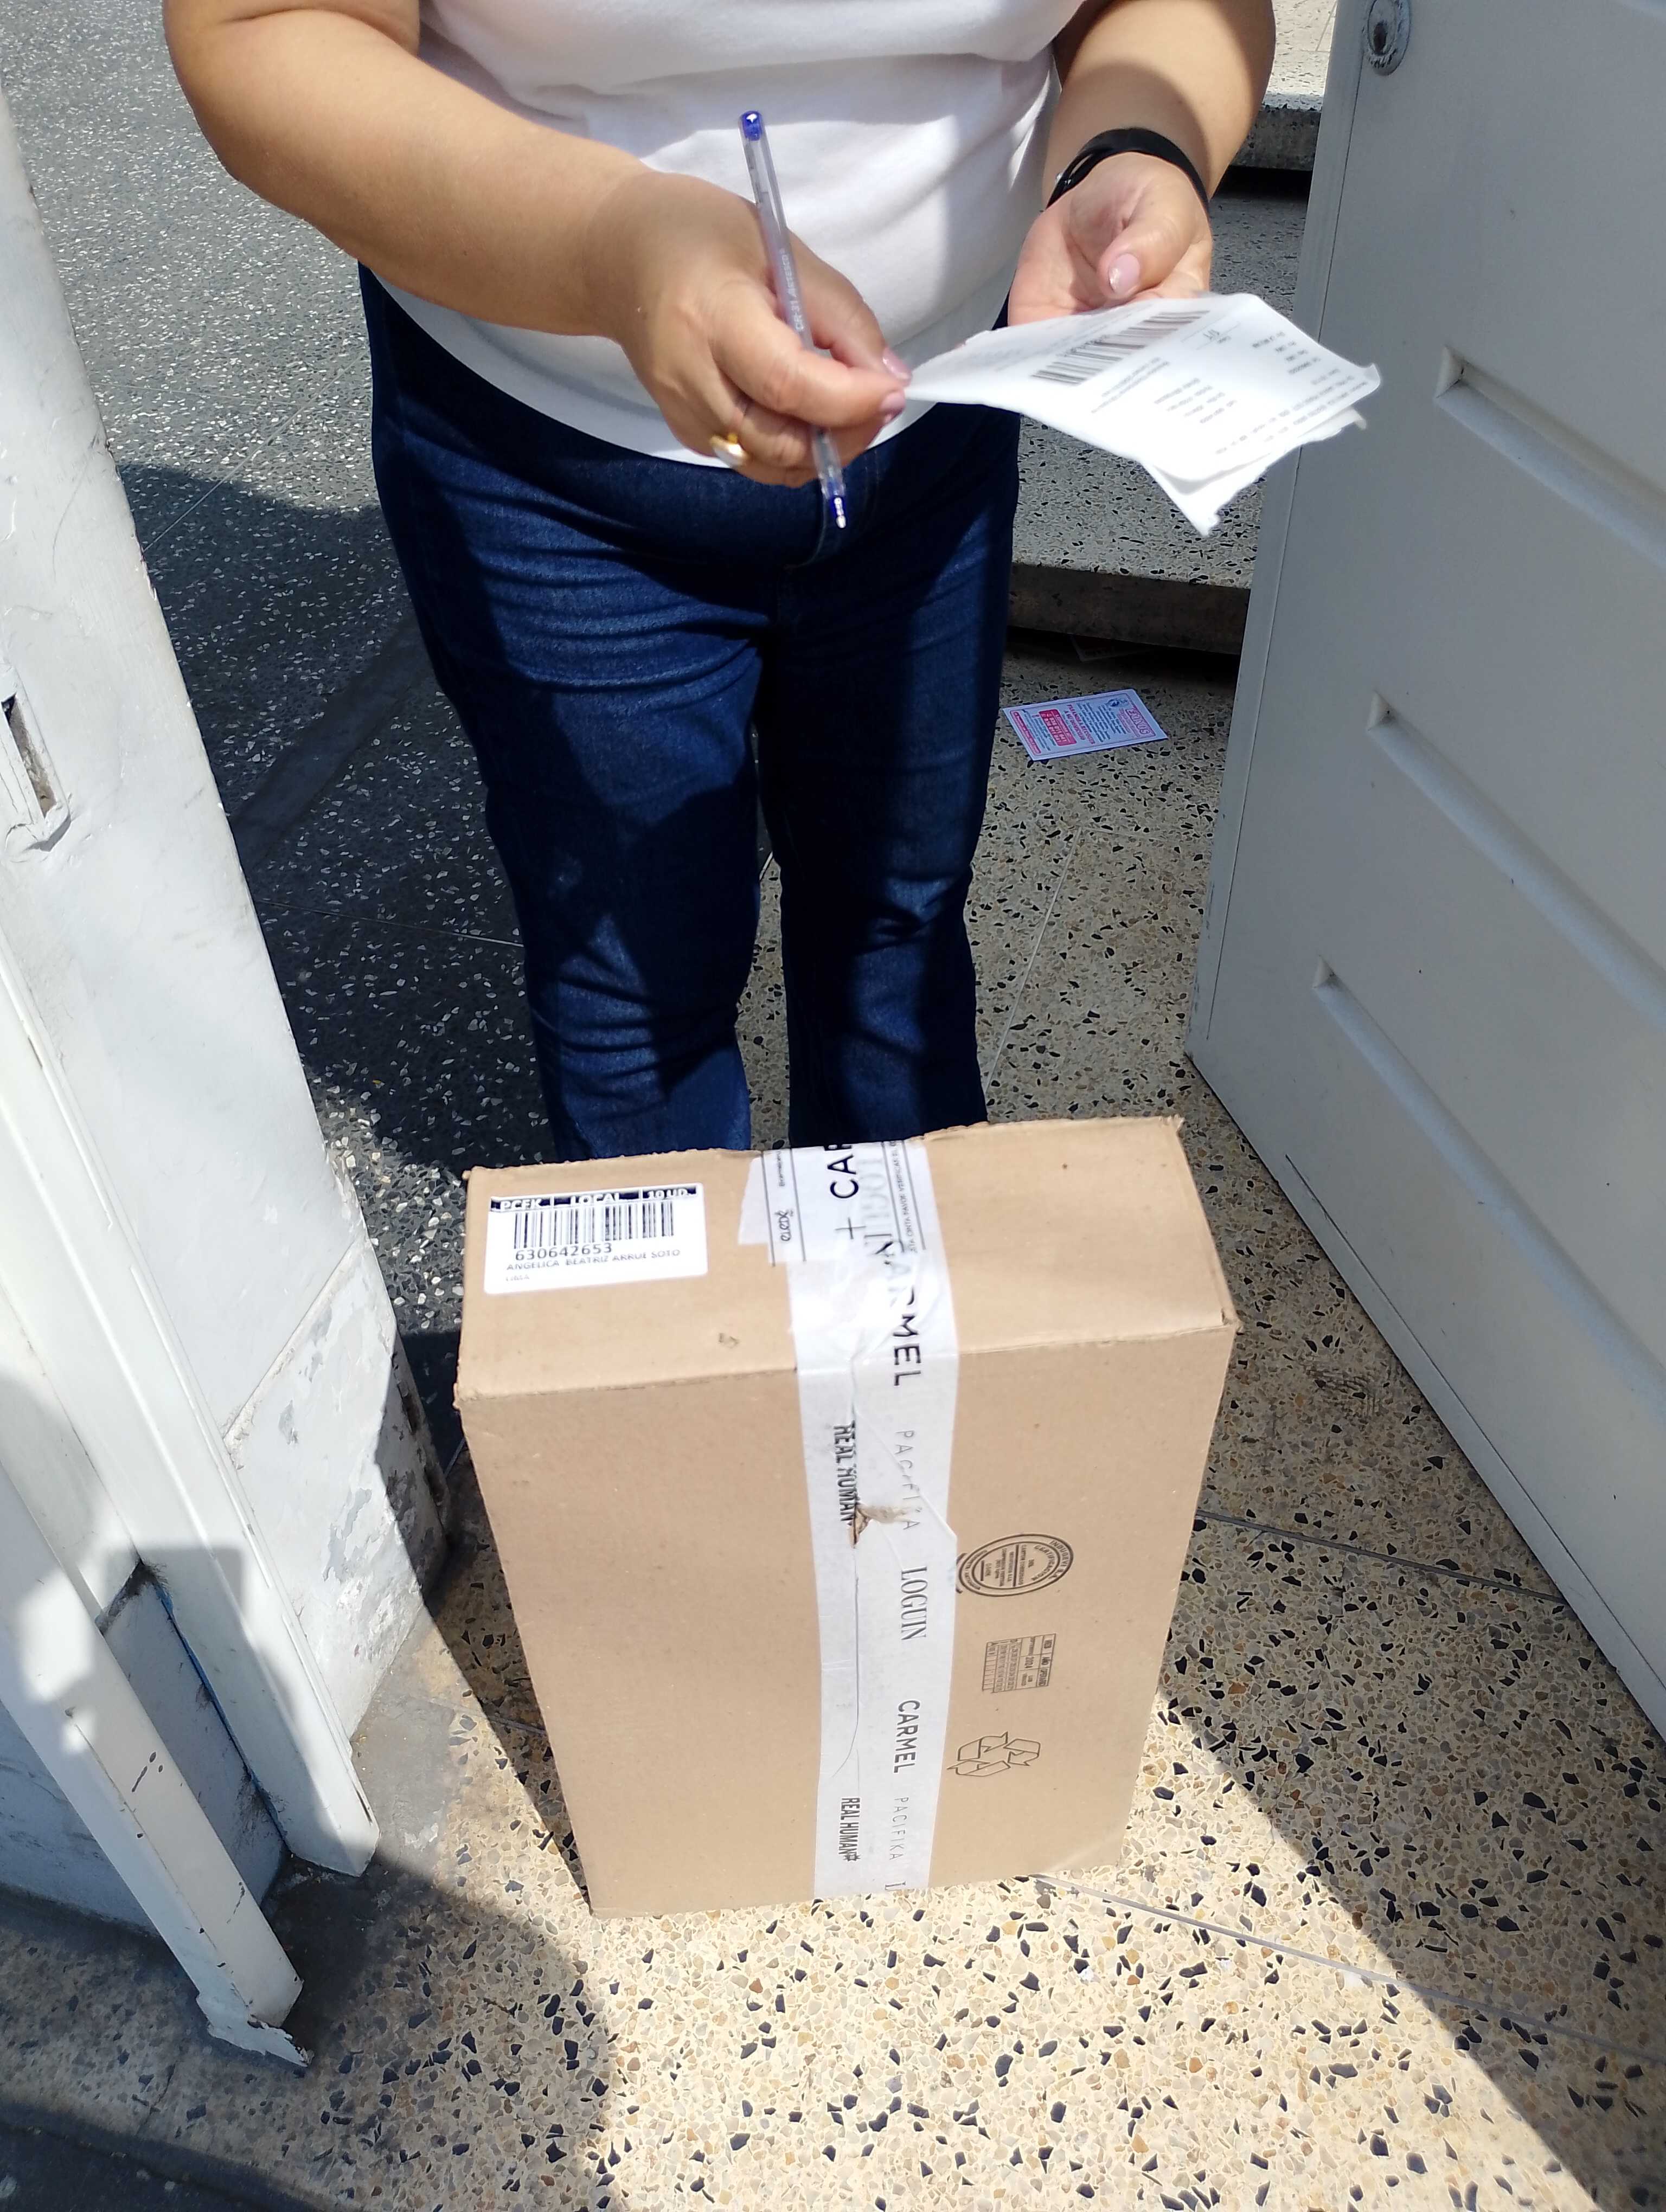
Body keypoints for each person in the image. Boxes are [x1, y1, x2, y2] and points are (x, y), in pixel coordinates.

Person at [166, 0, 1273, 1161]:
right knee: (636, 984)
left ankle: (898, 1266)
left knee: (900, 919)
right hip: (553, 454)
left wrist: (1135, 143)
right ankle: (701, 1280)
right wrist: (611, 242)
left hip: (939, 424)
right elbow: (262, 30)